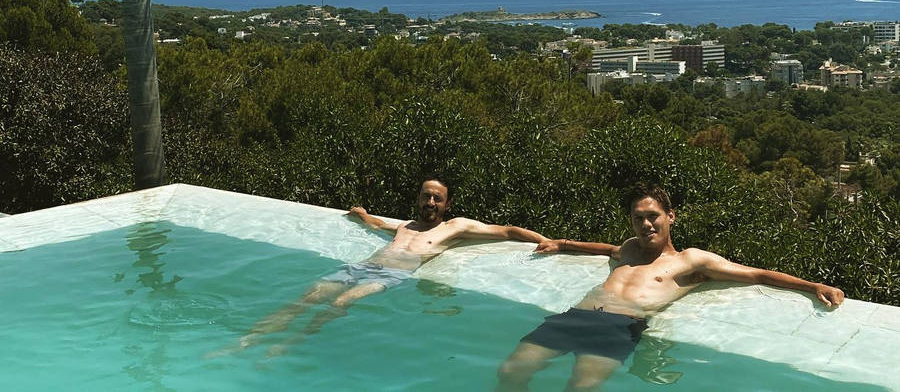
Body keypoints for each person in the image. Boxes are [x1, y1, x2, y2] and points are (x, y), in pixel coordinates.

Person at [497, 184, 844, 390]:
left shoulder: (692, 261)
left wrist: (812, 285)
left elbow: (756, 274)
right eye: (638, 218)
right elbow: (605, 249)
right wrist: (563, 243)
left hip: (619, 326)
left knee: (581, 388)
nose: (646, 224)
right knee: (510, 372)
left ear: (670, 216)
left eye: (653, 216)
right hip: (575, 316)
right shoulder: (630, 247)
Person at [212, 176, 546, 356]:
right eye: (426, 196)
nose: (430, 202)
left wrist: (545, 240)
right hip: (364, 266)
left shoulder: (455, 227)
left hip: (394, 273)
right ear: (418, 198)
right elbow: (378, 225)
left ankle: (288, 343)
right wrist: (363, 215)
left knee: (342, 301)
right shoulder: (406, 225)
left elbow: (507, 231)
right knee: (309, 295)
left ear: (447, 203)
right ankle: (248, 340)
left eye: (437, 198)